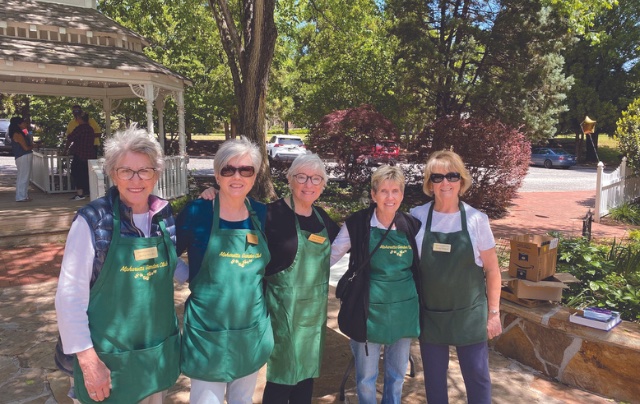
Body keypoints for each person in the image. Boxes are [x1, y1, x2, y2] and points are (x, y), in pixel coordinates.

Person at [55, 126, 185, 403]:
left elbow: (173, 265)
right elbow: (69, 298)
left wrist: (209, 276)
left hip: (154, 353)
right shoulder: (93, 220)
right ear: (113, 174)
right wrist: (88, 361)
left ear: (156, 174)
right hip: (106, 360)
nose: (136, 180)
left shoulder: (163, 215)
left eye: (145, 171)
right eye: (126, 171)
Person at [199, 153, 340, 403]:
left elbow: (345, 244)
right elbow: (235, 206)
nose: (309, 184)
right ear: (289, 179)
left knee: (306, 378)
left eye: (316, 179)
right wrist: (213, 192)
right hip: (280, 314)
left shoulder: (323, 219)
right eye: (302, 177)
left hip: (312, 317)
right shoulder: (269, 214)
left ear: (323, 185)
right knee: (280, 380)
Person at [177, 137, 274, 403]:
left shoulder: (263, 214)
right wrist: (191, 277)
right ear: (217, 174)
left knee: (242, 400)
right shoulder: (197, 212)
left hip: (250, 327)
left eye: (246, 170)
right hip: (208, 329)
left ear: (255, 176)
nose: (237, 176)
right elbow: (165, 256)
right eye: (227, 169)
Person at [411, 150, 502, 404]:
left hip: (469, 315)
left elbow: (492, 270)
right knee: (434, 381)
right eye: (437, 177)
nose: (445, 183)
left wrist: (494, 313)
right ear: (430, 184)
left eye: (452, 176)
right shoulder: (416, 216)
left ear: (461, 181)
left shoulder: (476, 220)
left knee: (477, 376)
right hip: (431, 315)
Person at [330, 165, 422, 404]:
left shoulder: (412, 226)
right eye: (383, 191)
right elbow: (330, 256)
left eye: (395, 191)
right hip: (367, 309)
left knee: (396, 375)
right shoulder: (358, 224)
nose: (389, 197)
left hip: (404, 309)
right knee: (366, 377)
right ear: (373, 195)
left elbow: (424, 266)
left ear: (402, 194)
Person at [65, 112, 97, 200]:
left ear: (80, 119)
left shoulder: (80, 128)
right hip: (89, 154)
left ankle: (80, 194)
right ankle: (87, 192)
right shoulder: (90, 129)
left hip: (80, 154)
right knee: (86, 174)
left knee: (77, 173)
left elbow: (70, 137)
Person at [9, 116, 33, 202]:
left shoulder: (18, 133)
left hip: (21, 156)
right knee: (24, 176)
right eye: (23, 122)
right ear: (18, 124)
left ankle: (23, 195)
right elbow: (26, 148)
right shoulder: (17, 134)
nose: (25, 124)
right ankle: (21, 196)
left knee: (23, 176)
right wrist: (34, 146)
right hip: (23, 156)